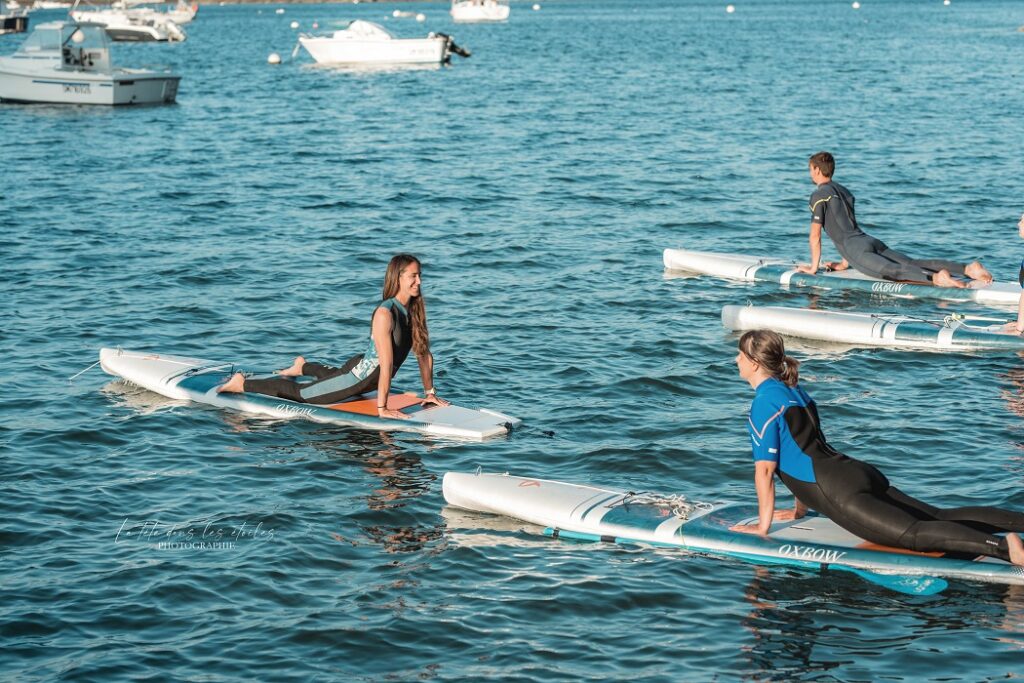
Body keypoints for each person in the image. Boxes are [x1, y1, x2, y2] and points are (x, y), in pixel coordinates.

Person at [731, 329, 1024, 566]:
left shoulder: (763, 403)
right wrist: (798, 512)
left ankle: (1004, 547)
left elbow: (766, 471)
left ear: (754, 363)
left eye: (740, 354)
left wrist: (762, 528)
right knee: (936, 515)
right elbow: (803, 446)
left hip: (836, 489)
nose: (736, 360)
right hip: (851, 471)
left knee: (913, 534)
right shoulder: (794, 389)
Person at [218, 254, 449, 420]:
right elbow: (386, 364)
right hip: (360, 376)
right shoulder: (384, 313)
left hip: (366, 376)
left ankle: (303, 366)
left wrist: (430, 393)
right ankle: (242, 383)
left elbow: (423, 354)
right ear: (398, 277)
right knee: (304, 394)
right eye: (414, 276)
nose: (419, 281)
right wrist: (382, 408)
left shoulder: (414, 311)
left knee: (336, 377)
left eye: (420, 276)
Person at [796, 151, 992, 289]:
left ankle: (937, 279)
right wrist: (843, 264)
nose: (810, 173)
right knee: (912, 262)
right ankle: (967, 268)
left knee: (894, 272)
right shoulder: (844, 191)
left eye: (810, 169)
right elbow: (845, 223)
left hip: (855, 247)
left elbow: (815, 236)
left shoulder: (819, 194)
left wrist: (813, 268)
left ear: (817, 170)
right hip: (869, 240)